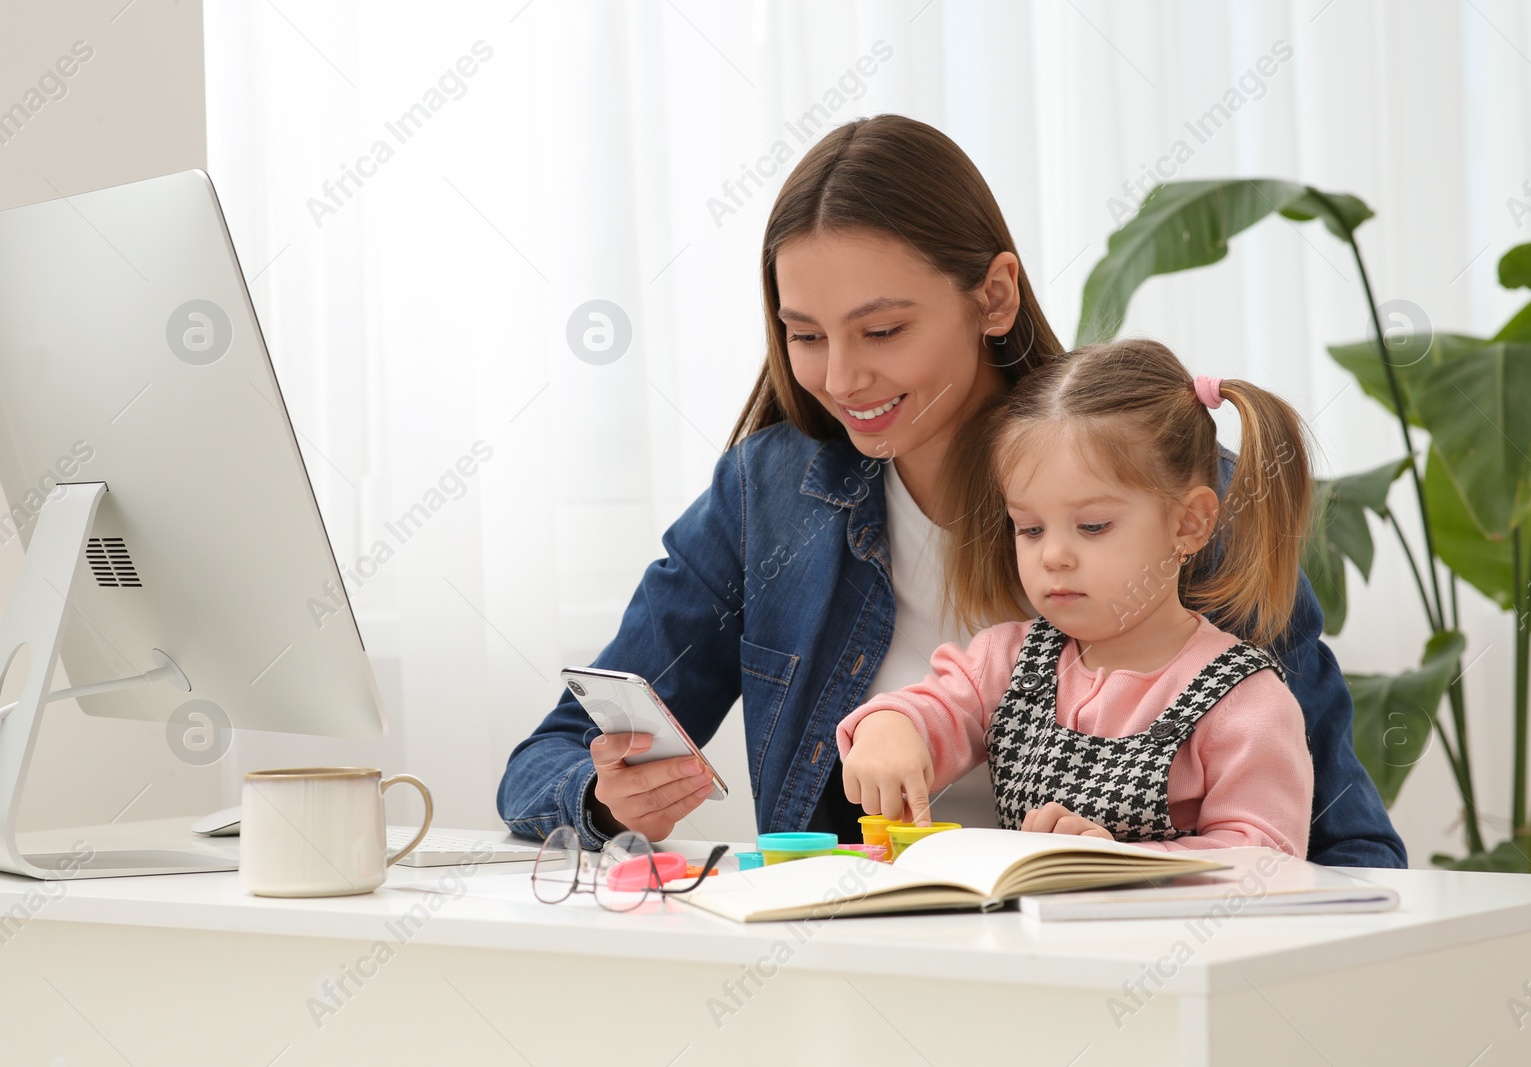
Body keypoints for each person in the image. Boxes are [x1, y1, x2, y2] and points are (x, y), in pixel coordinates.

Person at [495, 113, 1406, 866]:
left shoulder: (1176, 489)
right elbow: (545, 759)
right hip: (877, 965)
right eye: (804, 335)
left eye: (882, 329)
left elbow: (1345, 841)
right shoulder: (765, 498)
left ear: (995, 295)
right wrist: (607, 799)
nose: (841, 377)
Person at [837, 340, 1314, 855]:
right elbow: (936, 709)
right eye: (1030, 528)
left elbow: (1266, 858)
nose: (1054, 557)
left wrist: (1116, 861)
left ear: (1190, 522)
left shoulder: (1245, 701)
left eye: (1092, 526)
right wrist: (890, 726)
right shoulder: (1006, 661)